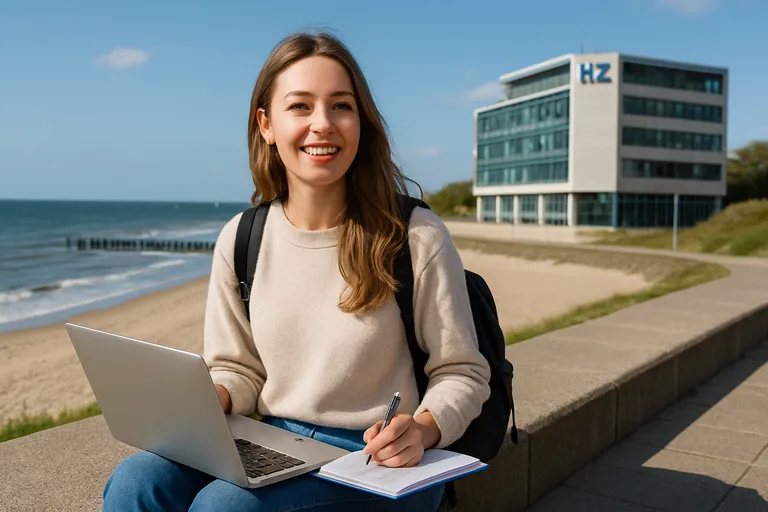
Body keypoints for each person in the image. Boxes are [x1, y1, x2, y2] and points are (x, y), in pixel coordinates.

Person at [102, 30, 491, 512]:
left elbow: (462, 372)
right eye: (300, 106)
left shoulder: (414, 234)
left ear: (361, 121)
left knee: (225, 507)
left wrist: (425, 427)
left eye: (341, 106)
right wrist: (211, 397)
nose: (322, 124)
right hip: (273, 437)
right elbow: (237, 369)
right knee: (135, 482)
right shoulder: (241, 237)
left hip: (378, 458)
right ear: (266, 124)